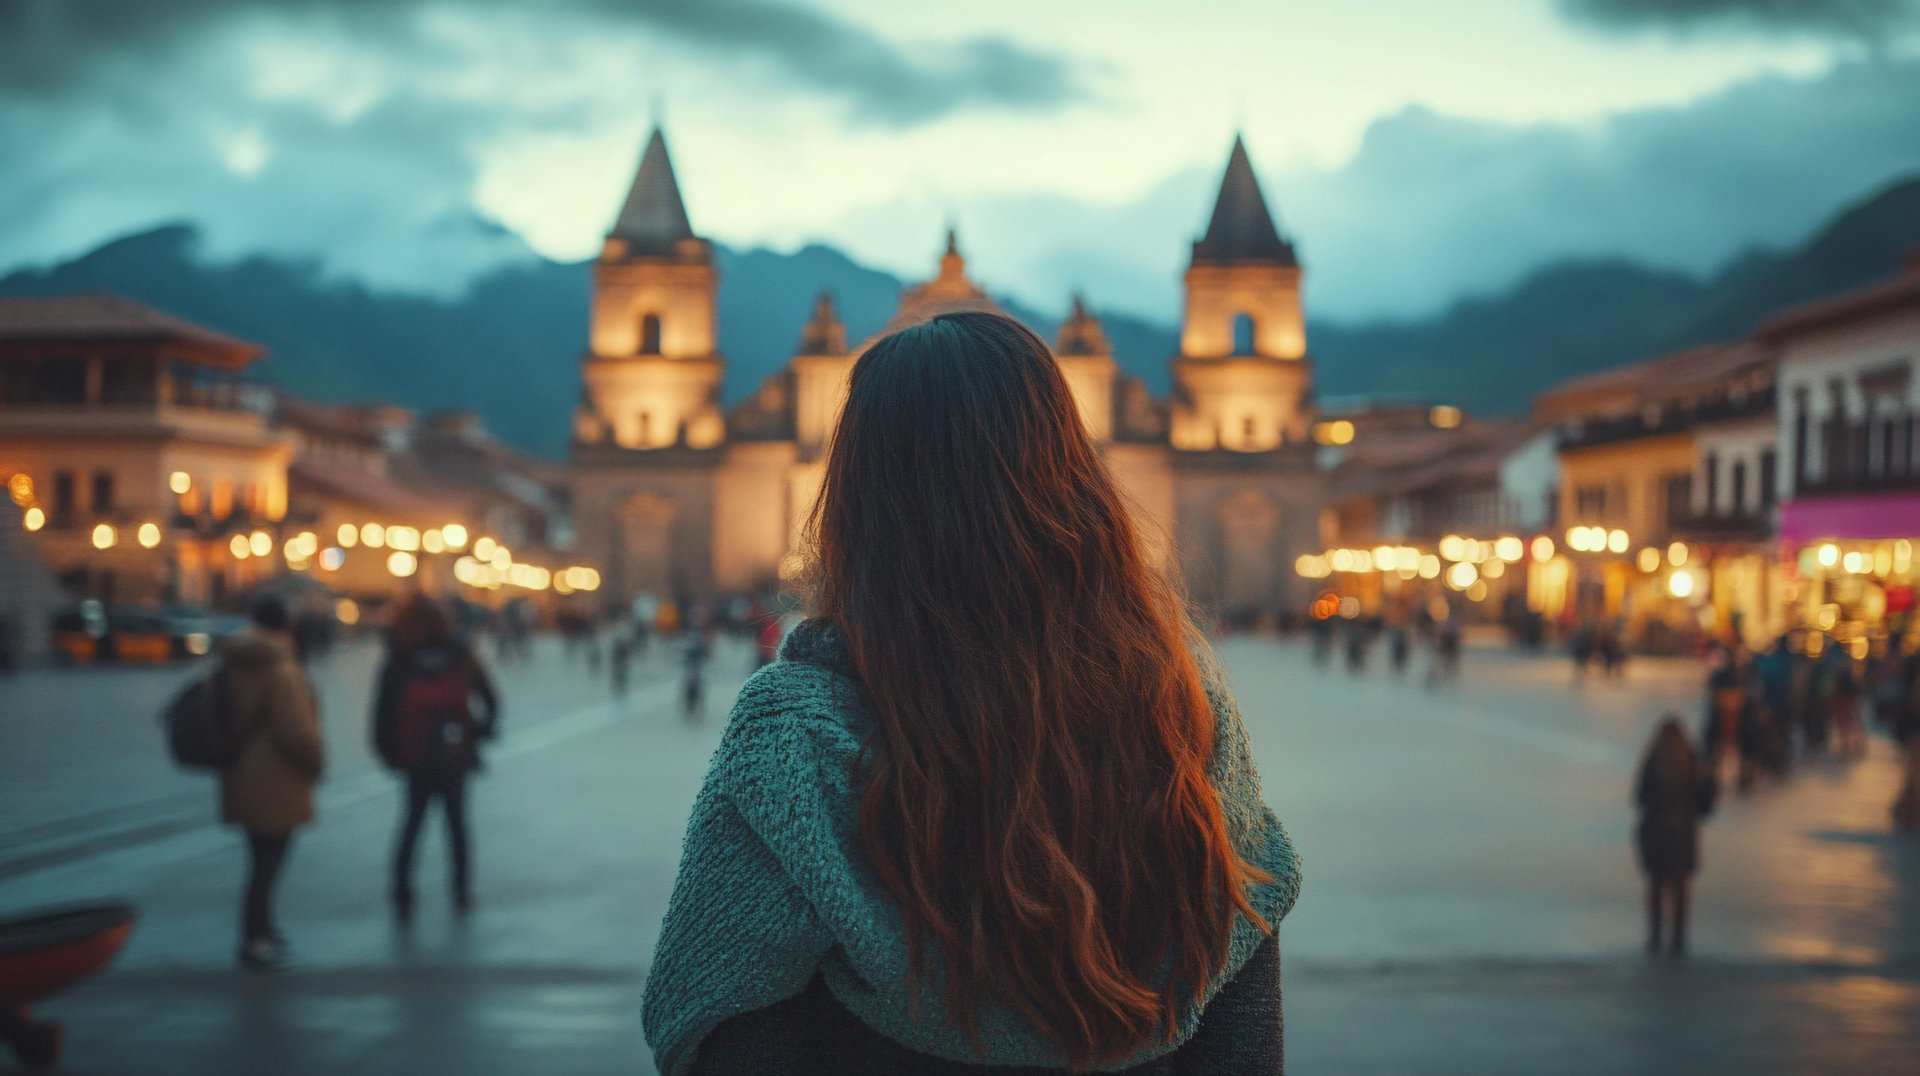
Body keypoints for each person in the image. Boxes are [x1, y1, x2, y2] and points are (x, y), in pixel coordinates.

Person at [642, 313, 1301, 1074]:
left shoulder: (794, 729)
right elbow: (1243, 947)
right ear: (1071, 469)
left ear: (859, 489)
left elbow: (722, 1013)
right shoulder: (1177, 697)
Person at [372, 593, 499, 922]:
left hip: (415, 758)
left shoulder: (399, 658)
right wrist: (478, 734)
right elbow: (490, 696)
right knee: (457, 824)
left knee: (412, 824)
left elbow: (382, 713)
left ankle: (402, 893)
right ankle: (461, 890)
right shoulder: (458, 653)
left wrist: (390, 754)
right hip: (454, 754)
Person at [219, 595, 323, 970]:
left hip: (240, 772)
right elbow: (295, 731)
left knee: (258, 857)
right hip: (277, 776)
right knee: (269, 861)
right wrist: (315, 763)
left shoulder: (234, 660)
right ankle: (255, 936)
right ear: (285, 626)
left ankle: (262, 928)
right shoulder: (281, 667)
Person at [1634, 717, 1715, 957]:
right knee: (1680, 886)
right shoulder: (1692, 760)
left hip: (1655, 829)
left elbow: (1639, 796)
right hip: (1683, 831)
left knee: (1656, 884)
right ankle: (1678, 938)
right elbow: (1705, 800)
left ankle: (1655, 935)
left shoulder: (1652, 758)